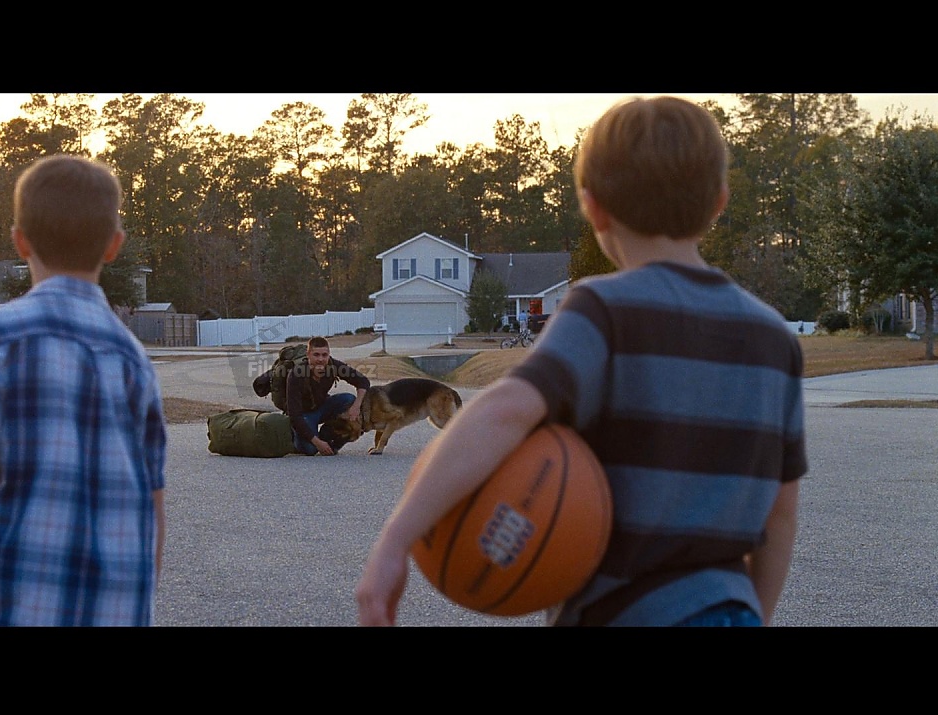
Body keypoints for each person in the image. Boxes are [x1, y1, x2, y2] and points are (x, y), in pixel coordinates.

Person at [356, 96, 807, 627]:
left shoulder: (603, 311)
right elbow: (781, 511)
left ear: (593, 207)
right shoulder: (774, 339)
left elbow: (506, 411)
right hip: (728, 612)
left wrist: (396, 538)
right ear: (719, 202)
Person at [0, 154, 166, 626]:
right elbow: (153, 494)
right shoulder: (134, 360)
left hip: (13, 600)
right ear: (114, 246)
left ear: (20, 241)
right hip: (115, 607)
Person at [286, 335, 371, 456]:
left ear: (329, 355)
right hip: (304, 415)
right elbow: (295, 415)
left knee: (349, 399)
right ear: (308, 354)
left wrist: (356, 407)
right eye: (316, 355)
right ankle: (296, 436)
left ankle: (328, 434)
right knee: (310, 449)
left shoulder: (333, 365)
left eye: (324, 355)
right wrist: (317, 443)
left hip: (323, 407)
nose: (320, 359)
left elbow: (363, 381)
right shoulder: (296, 374)